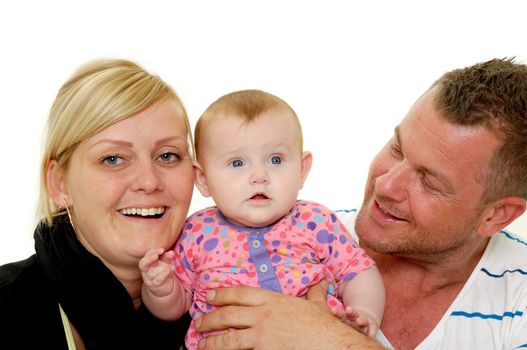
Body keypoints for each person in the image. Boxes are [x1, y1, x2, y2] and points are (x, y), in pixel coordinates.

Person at [194, 58, 527, 350]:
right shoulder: (304, 236)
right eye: (397, 148)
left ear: (497, 215)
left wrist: (330, 340)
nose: (386, 184)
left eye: (429, 181)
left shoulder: (519, 293)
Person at [140, 89, 385, 349]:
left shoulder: (315, 221)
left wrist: (364, 314)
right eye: (237, 163)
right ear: (202, 179)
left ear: (302, 170)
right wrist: (161, 288)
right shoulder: (195, 232)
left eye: (276, 160)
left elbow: (358, 271)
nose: (259, 175)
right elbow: (177, 306)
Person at [0, 58, 195, 349]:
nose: (149, 181)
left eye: (167, 155)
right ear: (59, 183)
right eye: (112, 159)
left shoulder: (244, 298)